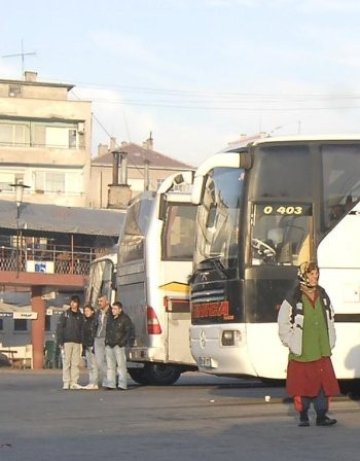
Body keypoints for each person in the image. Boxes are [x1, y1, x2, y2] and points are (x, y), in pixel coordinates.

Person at [278, 261, 340, 427]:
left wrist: (331, 337)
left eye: (316, 273)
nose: (315, 277)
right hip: (302, 349)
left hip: (321, 348)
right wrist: (290, 341)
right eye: (312, 274)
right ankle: (303, 415)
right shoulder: (294, 296)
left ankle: (321, 416)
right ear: (303, 275)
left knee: (323, 385)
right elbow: (283, 321)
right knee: (302, 385)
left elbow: (330, 317)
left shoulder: (322, 294)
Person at [104, 301, 134, 390]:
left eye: (115, 309)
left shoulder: (125, 319)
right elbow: (107, 330)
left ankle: (122, 384)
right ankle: (111, 384)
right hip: (109, 344)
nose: (113, 310)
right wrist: (106, 342)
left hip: (119, 345)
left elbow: (129, 331)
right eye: (112, 308)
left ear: (120, 310)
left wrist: (122, 342)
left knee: (121, 366)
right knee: (110, 366)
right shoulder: (110, 318)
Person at [56, 295, 84, 390]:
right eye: (72, 302)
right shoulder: (65, 314)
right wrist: (60, 341)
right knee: (66, 362)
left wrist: (82, 341)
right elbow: (60, 328)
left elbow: (82, 329)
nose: (73, 303)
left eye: (75, 302)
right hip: (67, 341)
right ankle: (66, 382)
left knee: (75, 363)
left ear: (78, 303)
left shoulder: (81, 316)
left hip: (77, 341)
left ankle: (74, 382)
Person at [94, 295, 111, 387]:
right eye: (98, 301)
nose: (99, 303)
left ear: (107, 302)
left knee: (108, 360)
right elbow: (94, 324)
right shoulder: (98, 313)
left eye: (101, 301)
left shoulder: (111, 312)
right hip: (98, 338)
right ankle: (108, 377)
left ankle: (108, 380)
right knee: (99, 361)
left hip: (107, 338)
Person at [82, 304, 98, 390]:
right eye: (85, 311)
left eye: (88, 311)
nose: (86, 312)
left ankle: (94, 382)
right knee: (89, 365)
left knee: (93, 365)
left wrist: (94, 344)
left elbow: (95, 333)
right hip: (86, 345)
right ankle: (91, 381)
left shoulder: (95, 321)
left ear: (92, 311)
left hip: (92, 344)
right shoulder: (85, 321)